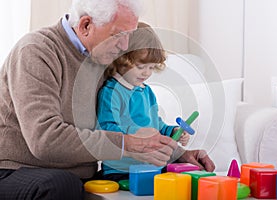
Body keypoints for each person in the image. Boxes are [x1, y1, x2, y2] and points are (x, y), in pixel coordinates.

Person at [0, 0, 215, 199]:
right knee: (60, 185)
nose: (125, 46)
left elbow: (132, 122)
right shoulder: (37, 51)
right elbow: (45, 139)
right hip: (17, 170)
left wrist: (180, 154)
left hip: (80, 177)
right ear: (86, 25)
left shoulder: (104, 59)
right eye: (119, 35)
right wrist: (130, 143)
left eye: (129, 36)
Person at [96, 22, 190, 181]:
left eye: (152, 67)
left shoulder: (147, 92)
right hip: (121, 169)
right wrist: (137, 133)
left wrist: (172, 131)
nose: (146, 73)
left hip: (152, 166)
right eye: (141, 67)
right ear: (122, 59)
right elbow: (107, 128)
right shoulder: (112, 92)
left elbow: (156, 124)